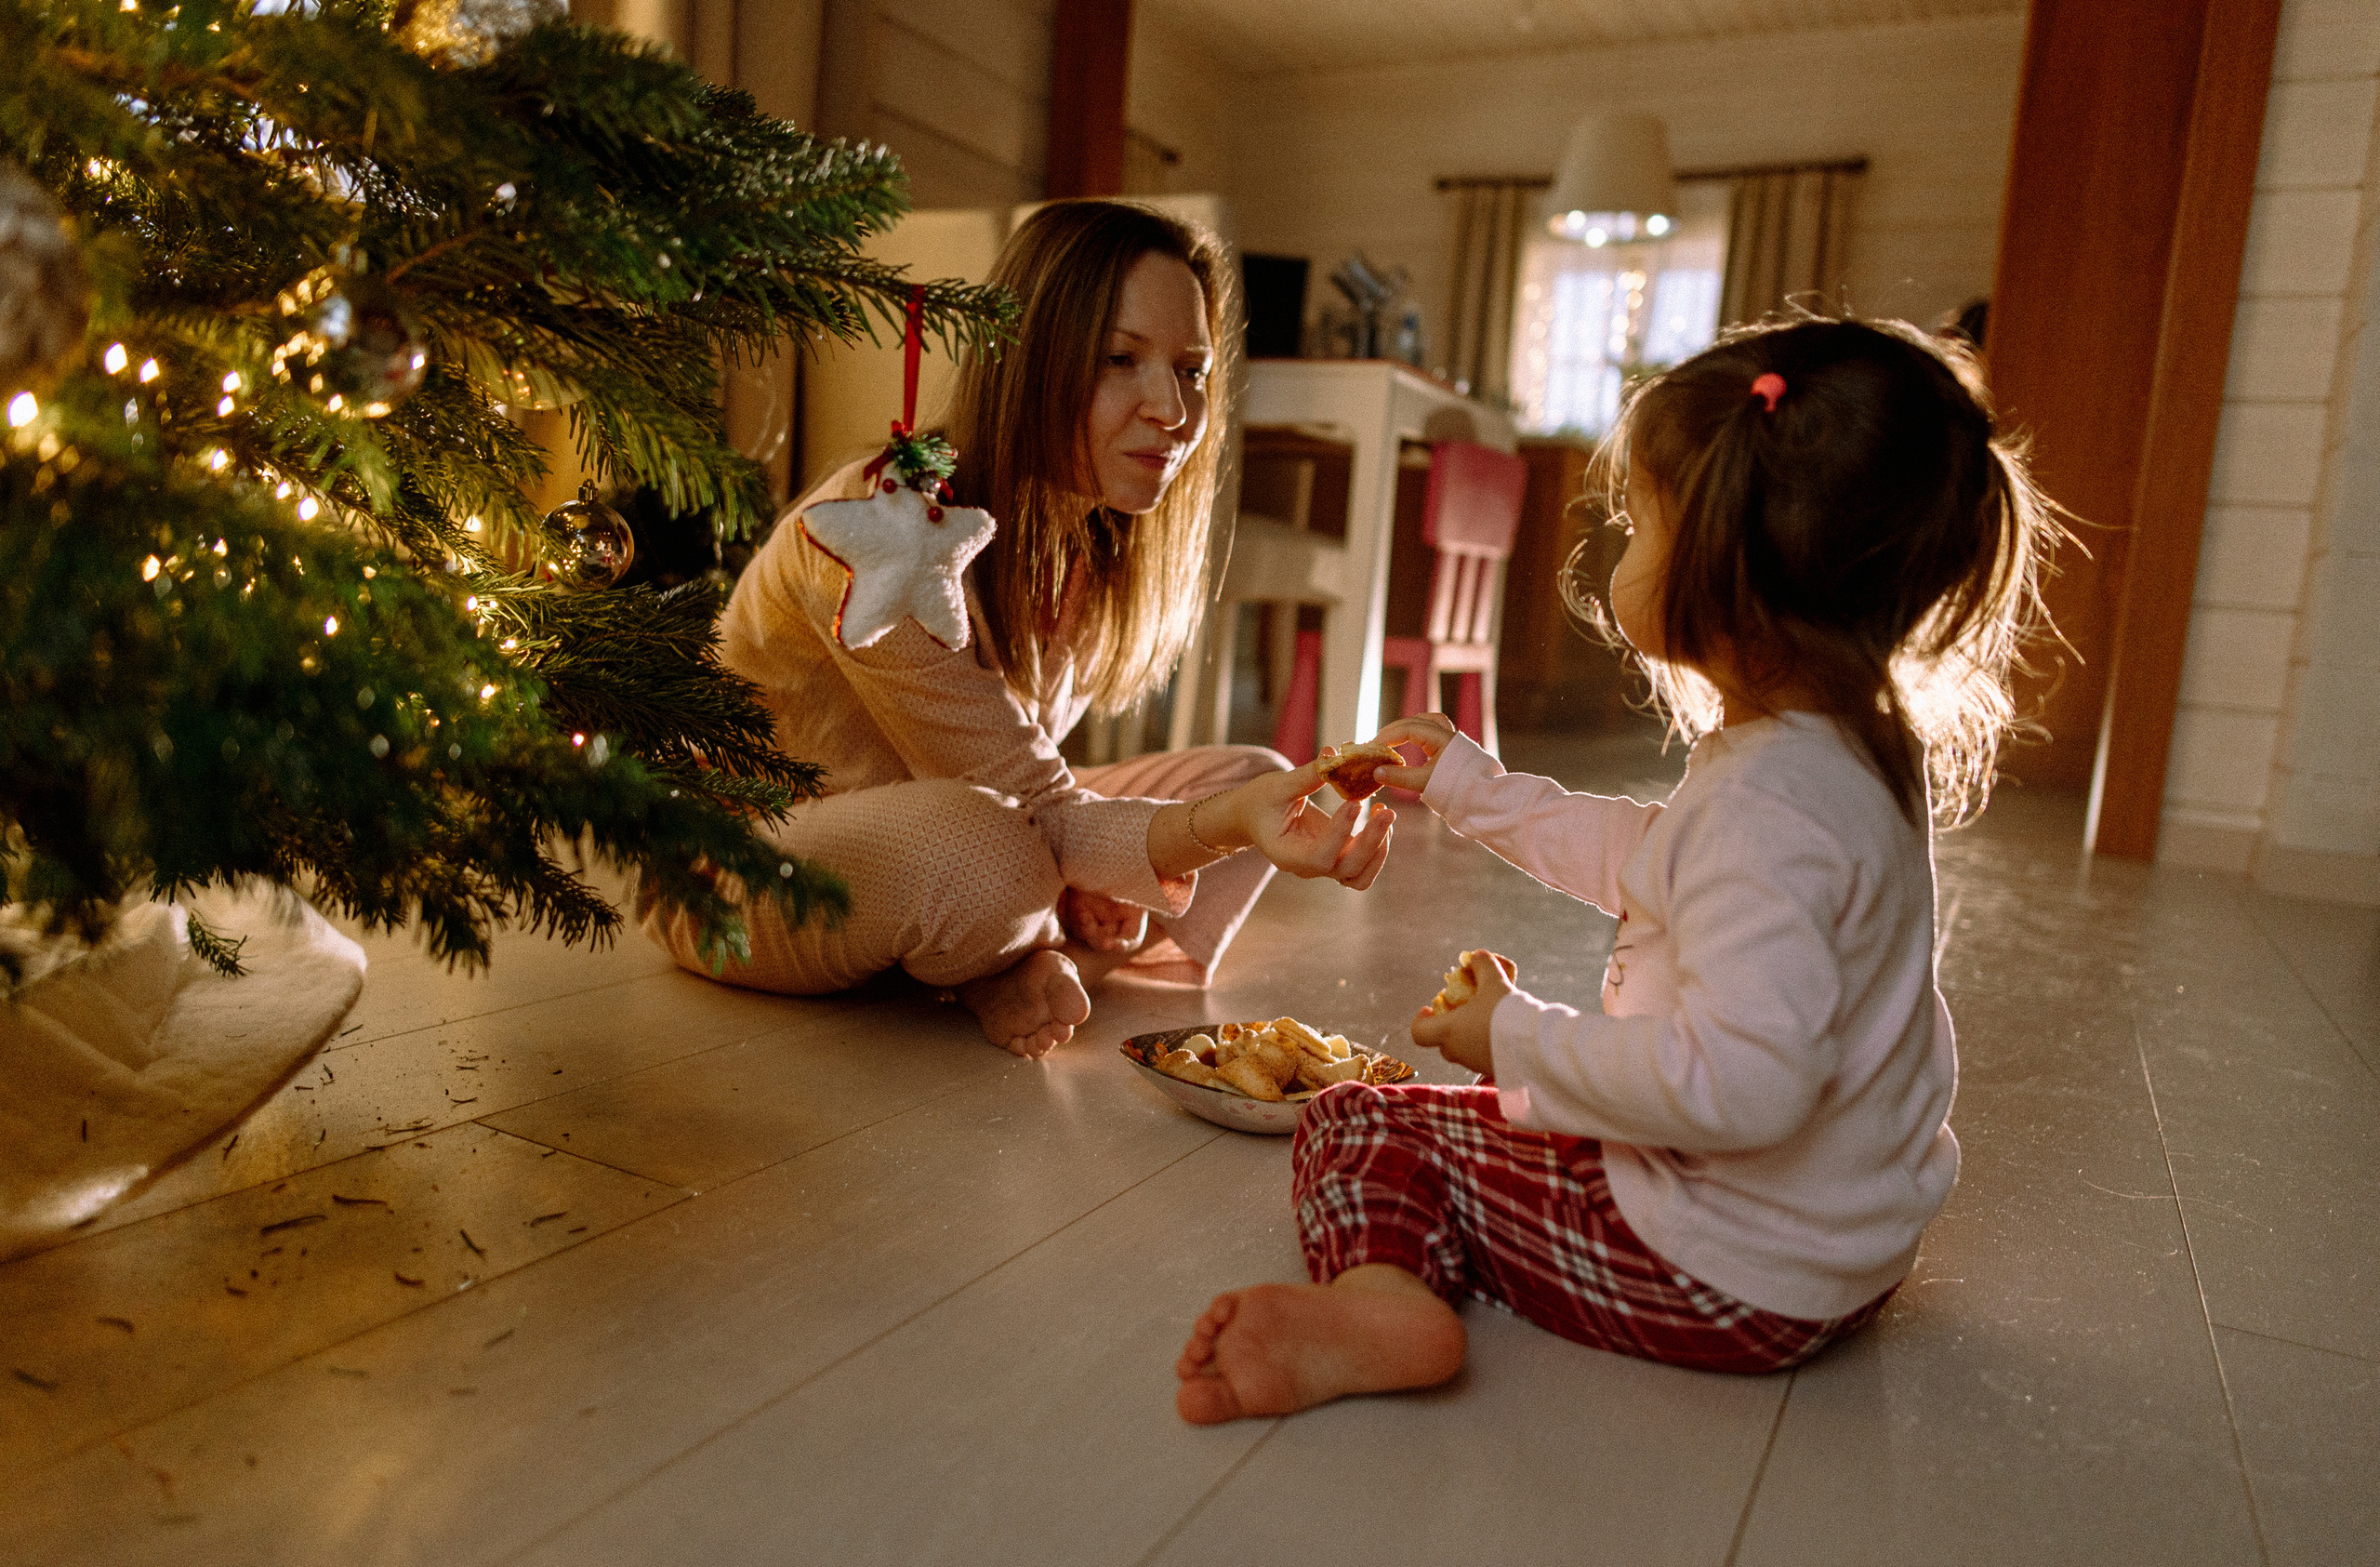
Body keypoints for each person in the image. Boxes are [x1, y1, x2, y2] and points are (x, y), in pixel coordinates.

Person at [1173, 315, 2060, 1423]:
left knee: (1362, 1123)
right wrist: (1474, 789)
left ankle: (1378, 1303)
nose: (1618, 552)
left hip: (1725, 1270)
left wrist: (1520, 1035)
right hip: (1832, 1243)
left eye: (1639, 524)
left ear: (1724, 571)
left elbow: (1739, 1086)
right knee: (1462, 1117)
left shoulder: (1766, 807)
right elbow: (1664, 870)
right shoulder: (1837, 757)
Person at [641, 201, 1395, 1056]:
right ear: (1030, 359)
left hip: (964, 827)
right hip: (739, 867)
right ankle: (1008, 956)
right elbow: (1033, 808)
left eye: (1192, 369)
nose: (1175, 410)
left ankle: (1014, 959)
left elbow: (1033, 787)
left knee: (1255, 775)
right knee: (991, 851)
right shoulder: (885, 534)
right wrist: (1172, 837)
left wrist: (1198, 823)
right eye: (1121, 360)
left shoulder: (1083, 540)